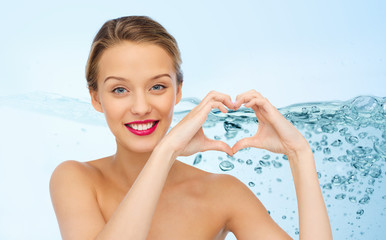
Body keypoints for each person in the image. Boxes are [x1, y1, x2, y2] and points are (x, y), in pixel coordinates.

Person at [49, 16, 332, 240]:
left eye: (157, 86)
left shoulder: (223, 193)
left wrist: (299, 153)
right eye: (119, 89)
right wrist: (166, 151)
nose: (140, 107)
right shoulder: (75, 179)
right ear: (96, 98)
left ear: (178, 91)